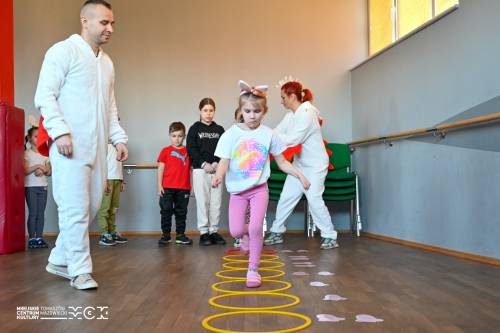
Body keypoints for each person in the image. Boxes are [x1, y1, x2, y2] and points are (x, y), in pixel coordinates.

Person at [34, 0, 128, 290]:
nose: (110, 28)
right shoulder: (63, 51)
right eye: (104, 22)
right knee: (74, 208)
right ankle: (80, 270)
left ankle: (60, 259)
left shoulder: (107, 63)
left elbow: (109, 107)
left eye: (112, 23)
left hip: (98, 148)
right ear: (84, 21)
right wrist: (60, 132)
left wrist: (118, 137)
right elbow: (44, 95)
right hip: (68, 147)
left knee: (91, 206)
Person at [212, 80, 310, 288]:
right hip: (238, 192)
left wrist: (300, 175)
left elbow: (282, 162)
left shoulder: (268, 134)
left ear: (263, 112)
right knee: (236, 231)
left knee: (256, 228)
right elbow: (224, 161)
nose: (252, 115)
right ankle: (245, 236)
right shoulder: (231, 134)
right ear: (241, 111)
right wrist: (219, 175)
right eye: (247, 111)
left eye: (257, 111)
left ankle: (253, 270)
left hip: (259, 190)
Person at [264, 81, 338, 250]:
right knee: (286, 196)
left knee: (314, 199)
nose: (281, 101)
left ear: (292, 96)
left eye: (283, 97)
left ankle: (330, 235)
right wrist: (266, 134)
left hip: (316, 166)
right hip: (300, 165)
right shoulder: (292, 115)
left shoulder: (307, 112)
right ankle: (276, 231)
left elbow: (292, 139)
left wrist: (269, 138)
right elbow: (277, 131)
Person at [186, 98, 226, 246]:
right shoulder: (194, 128)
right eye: (205, 110)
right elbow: (191, 149)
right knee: (203, 202)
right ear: (200, 111)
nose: (208, 114)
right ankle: (204, 232)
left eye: (211, 110)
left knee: (216, 202)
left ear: (214, 111)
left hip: (217, 170)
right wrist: (203, 164)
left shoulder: (219, 130)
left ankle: (214, 230)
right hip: (200, 170)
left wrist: (217, 163)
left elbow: (224, 149)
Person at [157, 122, 193, 246]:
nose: (177, 139)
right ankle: (166, 235)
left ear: (184, 136)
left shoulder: (188, 151)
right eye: (174, 136)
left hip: (183, 188)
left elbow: (193, 169)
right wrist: (159, 186)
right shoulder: (165, 151)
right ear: (169, 136)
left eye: (179, 136)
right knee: (166, 211)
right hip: (167, 188)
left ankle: (180, 235)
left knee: (181, 212)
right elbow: (160, 169)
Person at [24, 126, 51, 249]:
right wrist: (38, 166)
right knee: (33, 213)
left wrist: (44, 170)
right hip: (31, 187)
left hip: (43, 187)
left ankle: (39, 237)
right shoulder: (26, 153)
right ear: (29, 139)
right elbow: (25, 170)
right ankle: (31, 239)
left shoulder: (45, 154)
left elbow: (49, 172)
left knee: (41, 214)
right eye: (35, 136)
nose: (38, 138)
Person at [97, 143, 128, 246]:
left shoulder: (119, 146)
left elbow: (120, 164)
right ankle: (104, 234)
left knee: (113, 209)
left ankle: (112, 232)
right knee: (105, 208)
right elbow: (100, 164)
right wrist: (103, 181)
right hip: (107, 180)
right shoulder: (104, 144)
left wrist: (122, 180)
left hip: (117, 179)